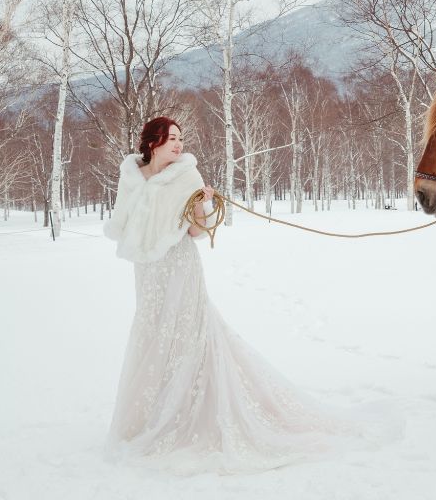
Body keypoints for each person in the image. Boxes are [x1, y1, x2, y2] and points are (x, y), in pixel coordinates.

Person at [103, 116, 395, 474]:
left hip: (179, 266)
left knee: (184, 337)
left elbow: (196, 232)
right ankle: (149, 417)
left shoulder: (187, 176)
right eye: (171, 138)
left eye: (180, 138)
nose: (178, 145)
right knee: (151, 335)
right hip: (147, 271)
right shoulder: (132, 175)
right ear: (152, 143)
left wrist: (203, 204)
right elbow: (124, 221)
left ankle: (185, 417)